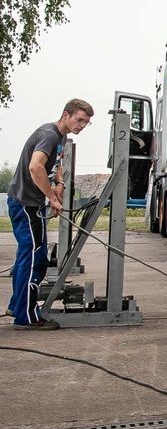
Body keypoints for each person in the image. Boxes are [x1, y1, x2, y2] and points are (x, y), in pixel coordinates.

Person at [6, 99, 94, 330]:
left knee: (36, 255)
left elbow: (57, 164)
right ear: (66, 115)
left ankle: (18, 305)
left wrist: (60, 183)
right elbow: (35, 167)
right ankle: (25, 316)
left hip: (31, 204)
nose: (82, 125)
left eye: (86, 122)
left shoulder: (61, 137)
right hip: (25, 203)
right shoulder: (49, 134)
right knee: (33, 255)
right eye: (79, 119)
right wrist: (52, 198)